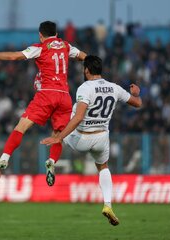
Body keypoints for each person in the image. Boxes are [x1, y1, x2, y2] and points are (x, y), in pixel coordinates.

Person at [0, 21, 86, 186]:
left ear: (41, 34)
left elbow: (14, 56)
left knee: (21, 127)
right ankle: (52, 162)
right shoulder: (66, 46)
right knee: (58, 135)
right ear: (56, 33)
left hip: (47, 94)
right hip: (65, 97)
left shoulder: (40, 47)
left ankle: (4, 159)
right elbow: (84, 57)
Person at [41, 55, 142, 225]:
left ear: (86, 70)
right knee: (103, 166)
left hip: (81, 138)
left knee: (59, 126)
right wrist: (136, 93)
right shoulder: (114, 88)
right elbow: (138, 103)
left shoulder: (85, 88)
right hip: (101, 137)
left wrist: (59, 137)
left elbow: (79, 117)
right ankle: (108, 204)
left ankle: (51, 160)